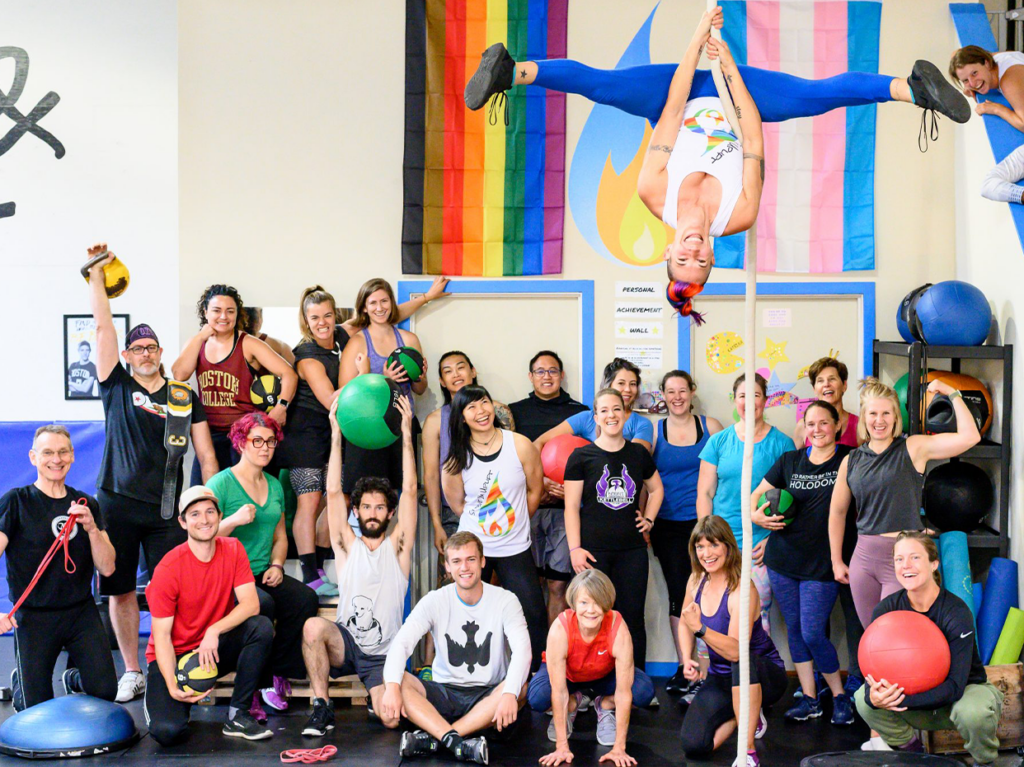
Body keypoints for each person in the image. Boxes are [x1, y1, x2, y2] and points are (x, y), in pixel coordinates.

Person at [465, 10, 969, 301]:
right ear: (711, 259)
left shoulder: (653, 192)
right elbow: (752, 139)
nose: (692, 252)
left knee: (605, 86)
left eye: (682, 260)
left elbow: (672, 109)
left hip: (674, 93)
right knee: (812, 98)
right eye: (700, 262)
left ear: (667, 254)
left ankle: (512, 71)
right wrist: (728, 67)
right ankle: (913, 89)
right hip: (738, 100)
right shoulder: (739, 214)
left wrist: (698, 37)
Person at [85, 245, 219, 703]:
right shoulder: (116, 386)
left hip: (168, 509)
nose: (144, 352)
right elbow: (102, 327)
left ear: (161, 352)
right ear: (127, 354)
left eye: (151, 346)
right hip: (117, 503)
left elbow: (206, 455)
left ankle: (171, 664)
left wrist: (213, 501)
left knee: (173, 591)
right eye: (136, 347)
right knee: (120, 591)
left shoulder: (182, 394)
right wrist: (97, 278)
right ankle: (132, 670)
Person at [299, 393, 418, 737]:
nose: (372, 513)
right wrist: (336, 433)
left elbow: (409, 490)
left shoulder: (398, 548)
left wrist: (407, 434)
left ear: (389, 513)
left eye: (380, 508)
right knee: (312, 628)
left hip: (383, 657)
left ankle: (374, 696)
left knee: (392, 720)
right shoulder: (347, 548)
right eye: (366, 507)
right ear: (357, 512)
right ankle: (322, 707)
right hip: (346, 644)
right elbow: (333, 492)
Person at [829, 378, 981, 629]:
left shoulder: (913, 447)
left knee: (897, 633)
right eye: (873, 413)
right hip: (864, 559)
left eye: (886, 413)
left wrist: (951, 393)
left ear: (896, 416)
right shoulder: (852, 460)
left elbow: (970, 436)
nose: (879, 420)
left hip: (903, 557)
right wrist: (836, 560)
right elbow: (837, 511)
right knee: (873, 637)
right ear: (864, 417)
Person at [380, 532, 531, 765]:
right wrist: (390, 688)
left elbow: (523, 650)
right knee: (397, 681)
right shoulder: (435, 600)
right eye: (457, 561)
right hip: (444, 693)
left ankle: (439, 737)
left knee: (519, 688)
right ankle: (458, 742)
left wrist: (509, 693)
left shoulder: (505, 600)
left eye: (471, 559)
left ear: (482, 561)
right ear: (447, 567)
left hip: (487, 693)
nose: (465, 567)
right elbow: (401, 643)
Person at [855, 531, 1003, 765]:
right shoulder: (886, 609)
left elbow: (955, 687)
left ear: (934, 563)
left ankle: (985, 761)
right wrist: (873, 697)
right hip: (913, 698)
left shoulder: (955, 611)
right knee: (862, 700)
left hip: (962, 693)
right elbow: (872, 671)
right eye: (899, 559)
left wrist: (898, 701)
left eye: (915, 557)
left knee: (973, 712)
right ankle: (914, 753)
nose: (906, 566)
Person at [749, 400, 855, 725]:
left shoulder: (848, 459)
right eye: (811, 423)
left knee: (812, 632)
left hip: (823, 562)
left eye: (825, 423)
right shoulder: (790, 460)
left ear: (837, 426)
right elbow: (756, 496)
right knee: (794, 630)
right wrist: (757, 517)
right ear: (804, 428)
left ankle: (838, 696)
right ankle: (810, 698)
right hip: (783, 558)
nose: (818, 429)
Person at [207, 412, 319, 718]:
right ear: (241, 443)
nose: (265, 447)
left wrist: (278, 565)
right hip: (229, 578)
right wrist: (232, 520)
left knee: (305, 599)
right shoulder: (221, 483)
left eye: (270, 441)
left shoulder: (274, 484)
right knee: (264, 605)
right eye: (257, 440)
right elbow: (201, 537)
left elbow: (281, 537)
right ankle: (255, 687)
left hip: (262, 571)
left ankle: (277, 674)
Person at [144, 485, 274, 745]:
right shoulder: (168, 569)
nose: (204, 520)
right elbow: (162, 637)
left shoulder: (233, 548)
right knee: (167, 733)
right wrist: (172, 684)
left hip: (212, 648)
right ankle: (171, 704)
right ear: (182, 522)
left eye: (209, 512)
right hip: (176, 654)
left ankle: (238, 714)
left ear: (219, 515)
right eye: (194, 514)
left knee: (260, 626)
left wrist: (213, 631)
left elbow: (251, 604)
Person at [0, 425, 117, 711]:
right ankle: (21, 682)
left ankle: (74, 678)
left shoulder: (86, 503)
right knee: (35, 708)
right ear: (33, 457)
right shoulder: (17, 502)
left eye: (63, 452)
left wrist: (91, 528)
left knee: (105, 691)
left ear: (73, 456)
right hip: (34, 616)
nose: (56, 459)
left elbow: (108, 567)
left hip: (80, 611)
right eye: (48, 452)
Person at [442, 385, 547, 670]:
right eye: (472, 407)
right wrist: (485, 528)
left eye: (485, 402)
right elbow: (458, 505)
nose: (481, 411)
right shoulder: (456, 457)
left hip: (515, 547)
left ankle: (536, 678)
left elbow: (535, 491)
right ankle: (472, 677)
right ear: (462, 417)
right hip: (474, 550)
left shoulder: (520, 444)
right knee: (470, 615)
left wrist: (511, 523)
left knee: (534, 613)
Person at [564, 387, 664, 669]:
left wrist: (650, 520)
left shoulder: (637, 454)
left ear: (625, 414)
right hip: (592, 553)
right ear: (595, 416)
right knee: (590, 618)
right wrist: (575, 549)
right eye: (604, 410)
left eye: (616, 409)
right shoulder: (581, 457)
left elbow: (656, 490)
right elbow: (570, 507)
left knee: (632, 617)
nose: (611, 415)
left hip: (632, 551)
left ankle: (636, 682)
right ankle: (589, 684)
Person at [677, 516, 787, 767]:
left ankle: (747, 752)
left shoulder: (742, 590)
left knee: (741, 662)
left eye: (714, 545)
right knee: (694, 745)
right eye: (700, 547)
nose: (707, 553)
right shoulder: (696, 581)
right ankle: (746, 714)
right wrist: (687, 658)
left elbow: (737, 652)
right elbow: (685, 620)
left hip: (764, 674)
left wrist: (701, 629)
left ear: (727, 546)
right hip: (722, 677)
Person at [172, 284, 298, 484]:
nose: (223, 316)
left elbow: (289, 374)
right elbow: (179, 374)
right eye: (216, 310)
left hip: (243, 434)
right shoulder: (196, 342)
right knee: (204, 495)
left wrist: (281, 407)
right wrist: (200, 337)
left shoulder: (248, 343)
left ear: (237, 314)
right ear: (205, 312)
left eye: (230, 311)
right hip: (208, 434)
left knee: (243, 498)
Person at [530, 569, 655, 767]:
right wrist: (562, 746)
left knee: (643, 691)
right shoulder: (560, 629)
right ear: (574, 603)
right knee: (538, 698)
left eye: (597, 602)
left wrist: (619, 748)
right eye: (584, 602)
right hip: (568, 678)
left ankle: (604, 705)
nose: (591, 610)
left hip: (604, 675)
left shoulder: (618, 627)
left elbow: (623, 692)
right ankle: (572, 705)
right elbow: (558, 690)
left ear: (607, 604)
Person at [697, 372, 791, 632]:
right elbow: (705, 493)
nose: (749, 402)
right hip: (721, 546)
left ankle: (755, 674)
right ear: (734, 400)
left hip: (760, 547)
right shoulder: (718, 442)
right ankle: (715, 674)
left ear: (766, 400)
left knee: (756, 618)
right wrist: (705, 541)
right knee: (714, 616)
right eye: (742, 396)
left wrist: (773, 540)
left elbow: (792, 503)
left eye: (756, 395)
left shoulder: (782, 444)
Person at [651, 370, 722, 695]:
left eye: (682, 390)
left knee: (711, 595)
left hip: (706, 527)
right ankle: (685, 666)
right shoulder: (654, 431)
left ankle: (711, 668)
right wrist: (645, 522)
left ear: (692, 392)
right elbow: (644, 482)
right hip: (667, 526)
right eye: (670, 391)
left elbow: (727, 475)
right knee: (680, 594)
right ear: (662, 396)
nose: (677, 397)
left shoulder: (710, 427)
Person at [275, 286, 346, 594]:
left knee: (337, 496)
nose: (323, 322)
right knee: (309, 502)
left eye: (328, 315)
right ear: (305, 320)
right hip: (303, 436)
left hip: (331, 435)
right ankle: (310, 572)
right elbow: (331, 399)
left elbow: (375, 316)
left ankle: (318, 565)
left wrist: (423, 299)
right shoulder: (307, 357)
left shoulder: (341, 338)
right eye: (315, 317)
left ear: (336, 315)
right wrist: (368, 377)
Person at [509, 350, 588, 624]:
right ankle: (529, 655)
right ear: (530, 376)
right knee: (529, 587)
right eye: (540, 371)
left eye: (553, 371)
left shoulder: (580, 413)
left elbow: (592, 461)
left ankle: (551, 655)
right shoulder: (513, 412)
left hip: (564, 513)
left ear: (562, 375)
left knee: (558, 586)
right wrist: (537, 480)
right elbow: (507, 458)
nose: (547, 376)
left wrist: (575, 490)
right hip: (524, 510)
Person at [423, 350, 515, 568]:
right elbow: (431, 475)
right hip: (453, 514)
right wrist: (437, 524)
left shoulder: (498, 411)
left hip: (496, 508)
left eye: (461, 367)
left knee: (494, 582)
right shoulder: (435, 420)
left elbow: (512, 463)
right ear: (442, 382)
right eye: (448, 371)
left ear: (473, 372)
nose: (456, 374)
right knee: (454, 578)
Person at [339, 278, 427, 502]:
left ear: (392, 302)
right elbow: (346, 393)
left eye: (384, 301)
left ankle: (397, 538)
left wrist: (419, 376)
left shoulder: (408, 339)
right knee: (364, 497)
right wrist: (383, 378)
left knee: (401, 494)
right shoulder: (357, 342)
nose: (380, 308)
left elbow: (419, 389)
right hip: (367, 430)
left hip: (401, 426)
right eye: (373, 302)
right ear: (364, 308)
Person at [536, 358, 655, 453]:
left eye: (633, 384)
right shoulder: (587, 418)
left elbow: (636, 461)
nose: (628, 389)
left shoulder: (642, 424)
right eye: (621, 383)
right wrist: (540, 479)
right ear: (609, 385)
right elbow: (539, 442)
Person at [950, 45, 1024, 131]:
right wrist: (968, 84)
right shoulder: (987, 57)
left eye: (974, 73)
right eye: (965, 80)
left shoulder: (1009, 83)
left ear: (987, 64)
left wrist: (996, 109)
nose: (973, 83)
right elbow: (955, 53)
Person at [792, 356, 860, 448]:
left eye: (832, 379)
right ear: (814, 389)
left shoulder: (859, 425)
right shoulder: (802, 426)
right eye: (820, 380)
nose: (826, 384)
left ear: (844, 385)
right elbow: (797, 461)